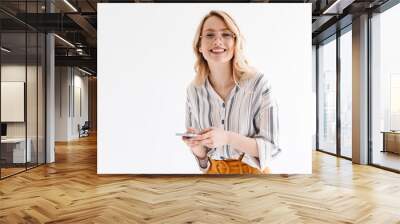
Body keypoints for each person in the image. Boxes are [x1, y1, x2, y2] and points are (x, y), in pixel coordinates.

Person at [182, 10, 281, 174]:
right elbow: (203, 158)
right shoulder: (193, 90)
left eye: (226, 34)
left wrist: (227, 137)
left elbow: (270, 148)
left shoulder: (258, 83)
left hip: (253, 177)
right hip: (213, 176)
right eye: (209, 35)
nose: (217, 41)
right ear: (199, 46)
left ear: (236, 43)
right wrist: (197, 147)